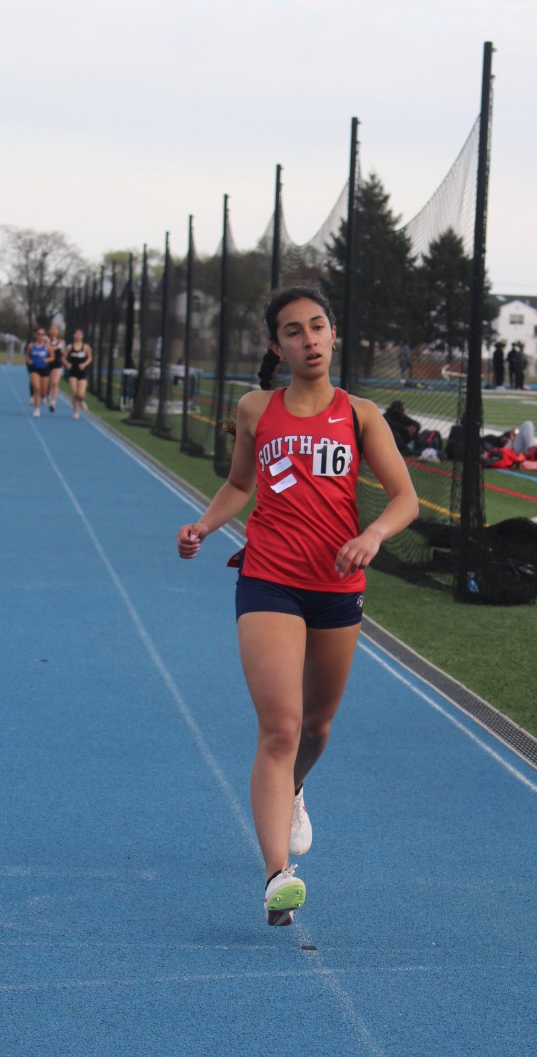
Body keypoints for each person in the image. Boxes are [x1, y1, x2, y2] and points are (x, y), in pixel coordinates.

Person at [177, 287, 419, 923]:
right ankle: (276, 876)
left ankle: (295, 789)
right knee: (281, 727)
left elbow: (405, 499)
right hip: (269, 582)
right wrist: (203, 526)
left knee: (315, 730)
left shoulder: (360, 414)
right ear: (276, 345)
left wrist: (372, 535)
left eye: (317, 327)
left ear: (333, 335)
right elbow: (240, 484)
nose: (308, 339)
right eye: (293, 331)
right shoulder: (256, 409)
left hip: (337, 586)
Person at [65, 329, 93, 419]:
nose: (78, 336)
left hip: (82, 372)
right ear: (74, 335)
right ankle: (76, 411)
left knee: (81, 394)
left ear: (82, 336)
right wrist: (67, 364)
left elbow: (90, 358)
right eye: (76, 334)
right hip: (72, 371)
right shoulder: (70, 347)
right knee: (74, 391)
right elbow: (63, 358)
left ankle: (81, 400)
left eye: (80, 334)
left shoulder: (86, 347)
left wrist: (84, 364)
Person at [26, 327, 52, 416]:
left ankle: (43, 397)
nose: (40, 337)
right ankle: (37, 409)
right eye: (39, 335)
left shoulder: (47, 346)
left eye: (42, 335)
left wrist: (47, 360)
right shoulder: (31, 346)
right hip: (34, 368)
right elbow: (27, 356)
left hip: (44, 369)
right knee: (36, 388)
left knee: (43, 391)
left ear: (44, 336)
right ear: (36, 336)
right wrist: (29, 360)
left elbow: (52, 357)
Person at [47, 323, 66, 412]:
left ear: (58, 331)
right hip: (47, 363)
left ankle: (53, 402)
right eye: (52, 329)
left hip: (57, 364)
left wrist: (63, 353)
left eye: (55, 329)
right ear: (49, 331)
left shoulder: (61, 342)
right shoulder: (46, 340)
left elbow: (64, 352)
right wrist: (55, 347)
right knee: (47, 383)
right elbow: (48, 348)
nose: (54, 331)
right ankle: (47, 394)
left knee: (55, 383)